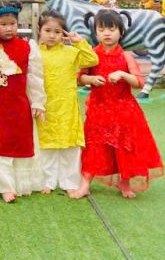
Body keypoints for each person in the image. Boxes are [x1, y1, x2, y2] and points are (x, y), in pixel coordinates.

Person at [76, 9, 164, 198]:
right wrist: (91, 80)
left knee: (124, 147)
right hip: (99, 108)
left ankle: (124, 182)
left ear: (121, 32)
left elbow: (139, 82)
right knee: (94, 145)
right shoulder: (92, 55)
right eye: (101, 30)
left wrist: (123, 75)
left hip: (124, 110)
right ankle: (85, 183)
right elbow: (79, 78)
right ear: (96, 32)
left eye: (111, 29)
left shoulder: (126, 56)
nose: (106, 33)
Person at [0, 3, 46, 203]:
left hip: (18, 105)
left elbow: (35, 77)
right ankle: (4, 186)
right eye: (3, 24)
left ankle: (21, 183)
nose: (8, 28)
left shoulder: (28, 47)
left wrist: (38, 102)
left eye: (12, 24)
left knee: (18, 142)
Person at [37, 10, 99, 198]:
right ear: (39, 31)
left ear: (63, 33)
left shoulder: (71, 52)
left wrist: (79, 42)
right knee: (45, 145)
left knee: (69, 146)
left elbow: (92, 59)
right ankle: (46, 181)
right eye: (47, 30)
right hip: (44, 105)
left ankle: (69, 182)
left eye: (57, 31)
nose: (52, 35)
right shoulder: (35, 53)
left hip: (66, 106)